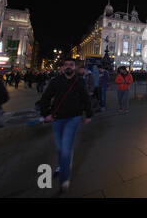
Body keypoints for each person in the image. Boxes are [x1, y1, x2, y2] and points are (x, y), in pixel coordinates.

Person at [39, 58, 92, 193]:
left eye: (71, 65)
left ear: (74, 67)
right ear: (62, 68)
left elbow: (85, 97)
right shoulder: (56, 81)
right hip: (57, 118)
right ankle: (61, 165)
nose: (68, 67)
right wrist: (46, 114)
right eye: (66, 65)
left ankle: (64, 179)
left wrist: (89, 114)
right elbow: (45, 98)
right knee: (59, 147)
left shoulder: (79, 81)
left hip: (74, 117)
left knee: (66, 148)